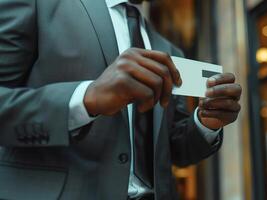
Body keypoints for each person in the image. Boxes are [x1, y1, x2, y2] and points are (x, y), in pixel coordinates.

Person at [0, 0, 242, 199]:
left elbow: (175, 151)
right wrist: (86, 98)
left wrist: (206, 123)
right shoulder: (40, 5)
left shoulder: (169, 51)